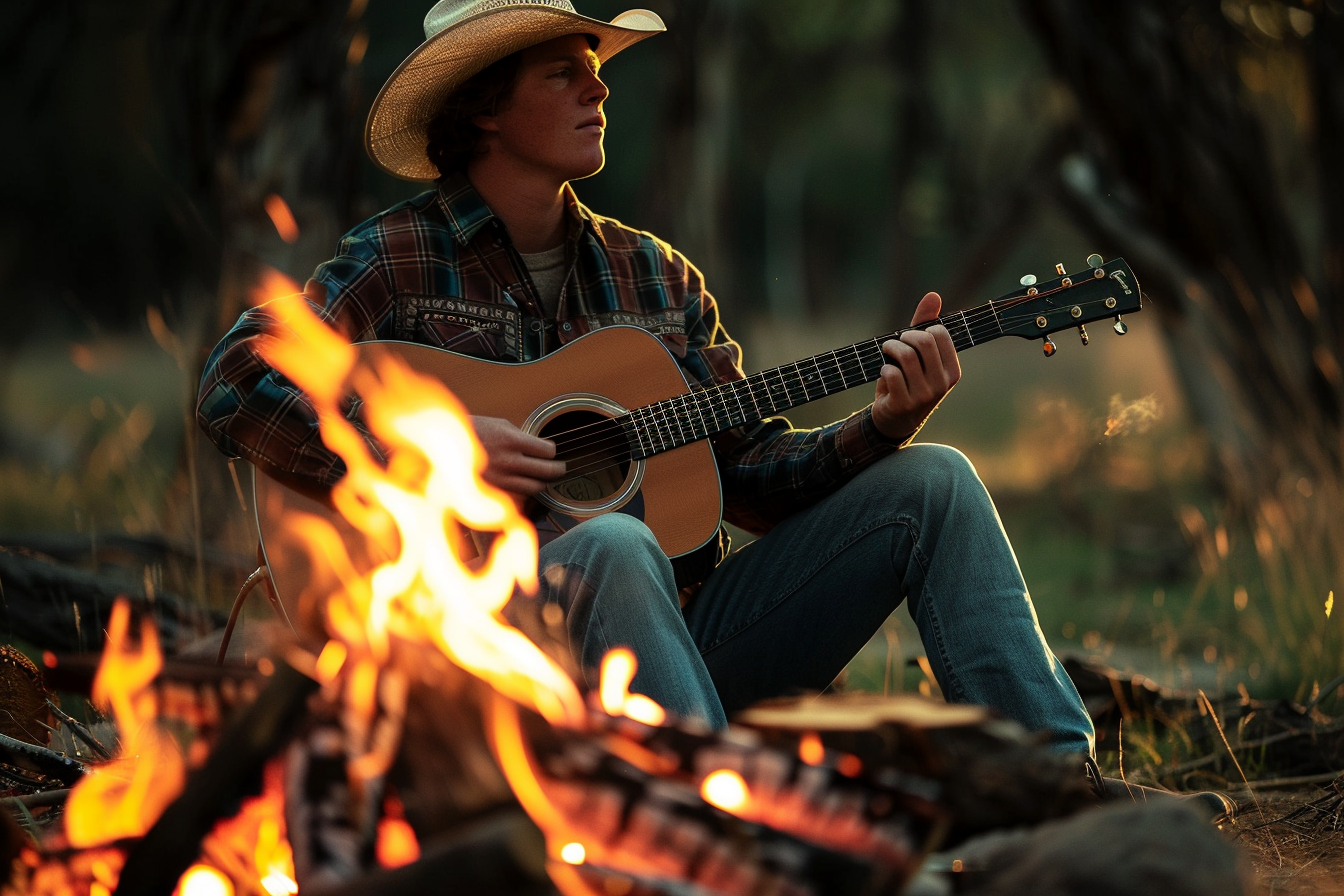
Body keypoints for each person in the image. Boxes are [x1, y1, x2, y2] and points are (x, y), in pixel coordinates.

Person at [198, 0, 1231, 819]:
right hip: (467, 677)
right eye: (565, 68)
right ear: (482, 108)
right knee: (612, 546)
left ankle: (1062, 792)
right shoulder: (392, 259)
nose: (599, 85)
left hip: (674, 656)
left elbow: (752, 480)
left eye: (596, 64)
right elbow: (236, 379)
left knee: (937, 484)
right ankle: (721, 836)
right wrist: (428, 458)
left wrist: (880, 427)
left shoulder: (653, 278)